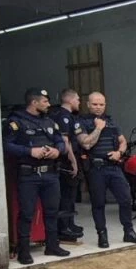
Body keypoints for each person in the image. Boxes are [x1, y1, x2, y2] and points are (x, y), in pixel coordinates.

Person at [3, 88, 71, 265]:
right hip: (28, 175)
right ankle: (24, 251)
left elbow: (60, 141)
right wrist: (29, 151)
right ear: (34, 103)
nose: (49, 104)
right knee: (27, 213)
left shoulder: (49, 121)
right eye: (45, 101)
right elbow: (7, 145)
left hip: (50, 173)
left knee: (52, 211)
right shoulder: (16, 122)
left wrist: (57, 151)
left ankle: (52, 245)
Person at [74, 91, 136, 249]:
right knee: (98, 203)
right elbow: (86, 144)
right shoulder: (81, 122)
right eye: (95, 104)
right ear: (88, 104)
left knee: (126, 199)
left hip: (113, 167)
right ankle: (102, 234)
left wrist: (119, 152)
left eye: (101, 104)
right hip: (96, 169)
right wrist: (98, 129)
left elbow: (123, 141)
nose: (98, 107)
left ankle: (129, 231)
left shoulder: (111, 121)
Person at [50, 88, 83, 242]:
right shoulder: (62, 116)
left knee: (71, 195)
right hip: (66, 161)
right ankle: (64, 228)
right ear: (69, 100)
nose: (79, 102)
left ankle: (70, 223)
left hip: (70, 158)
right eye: (77, 99)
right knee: (66, 195)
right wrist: (73, 161)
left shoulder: (69, 116)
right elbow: (65, 141)